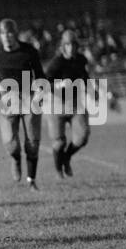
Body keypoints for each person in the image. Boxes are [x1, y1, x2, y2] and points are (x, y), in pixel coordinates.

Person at [0, 17, 46, 190]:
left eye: (9, 33)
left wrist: (40, 91)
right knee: (11, 144)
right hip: (7, 99)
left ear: (15, 34)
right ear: (0, 35)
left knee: (33, 142)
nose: (6, 36)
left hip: (29, 97)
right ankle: (16, 159)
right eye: (3, 33)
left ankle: (31, 180)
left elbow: (40, 74)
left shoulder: (29, 51)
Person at [44, 29, 92, 177]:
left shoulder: (81, 60)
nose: (71, 48)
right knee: (59, 142)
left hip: (75, 103)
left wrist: (92, 91)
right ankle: (59, 170)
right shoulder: (56, 62)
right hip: (56, 104)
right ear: (63, 46)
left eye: (73, 45)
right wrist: (58, 85)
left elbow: (84, 76)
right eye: (68, 45)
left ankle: (66, 158)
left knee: (82, 137)